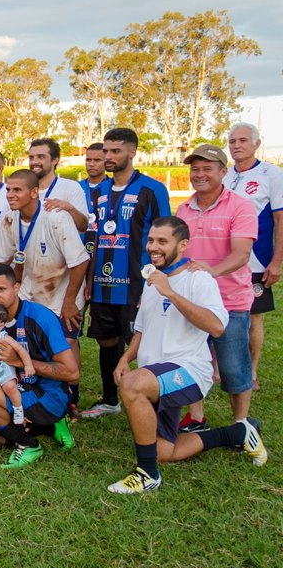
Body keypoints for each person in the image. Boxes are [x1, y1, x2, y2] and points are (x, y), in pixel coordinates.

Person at [107, 217, 266, 494]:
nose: (153, 247)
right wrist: (124, 358)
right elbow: (142, 330)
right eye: (151, 240)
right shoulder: (151, 280)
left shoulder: (198, 278)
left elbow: (217, 326)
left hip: (190, 370)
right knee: (165, 451)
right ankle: (239, 433)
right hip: (155, 373)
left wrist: (171, 293)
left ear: (183, 245)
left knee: (132, 385)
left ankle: (147, 474)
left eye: (162, 242)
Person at [81, 128, 171, 419]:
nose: (109, 157)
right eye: (106, 151)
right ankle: (110, 399)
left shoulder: (152, 189)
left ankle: (155, 405)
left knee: (143, 346)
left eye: (115, 151)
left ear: (132, 152)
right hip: (104, 283)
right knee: (106, 341)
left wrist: (157, 282)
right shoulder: (101, 191)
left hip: (138, 286)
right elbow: (95, 238)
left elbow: (167, 237)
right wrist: (89, 279)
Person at [175, 144, 258, 431]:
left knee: (234, 366)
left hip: (229, 301)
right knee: (191, 361)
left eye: (207, 168)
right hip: (192, 302)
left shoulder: (241, 206)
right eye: (194, 169)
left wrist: (212, 272)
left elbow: (241, 254)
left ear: (223, 171)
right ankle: (196, 417)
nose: (199, 174)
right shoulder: (183, 208)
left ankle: (241, 423)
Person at [0, 264, 79, 468]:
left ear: (16, 288)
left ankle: (28, 444)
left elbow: (72, 373)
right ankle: (45, 428)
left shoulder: (40, 317)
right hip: (12, 389)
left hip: (48, 395)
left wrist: (19, 362)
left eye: (1, 289)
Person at [0, 170, 89, 362]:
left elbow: (80, 262)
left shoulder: (56, 217)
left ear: (34, 193)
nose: (10, 195)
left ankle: (71, 390)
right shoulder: (10, 218)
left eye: (17, 190)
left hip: (61, 296)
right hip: (31, 293)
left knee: (66, 345)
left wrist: (69, 301)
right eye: (8, 190)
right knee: (31, 343)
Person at [224, 122, 283, 391]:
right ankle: (219, 369)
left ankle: (253, 372)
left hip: (256, 260)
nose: (236, 146)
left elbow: (280, 219)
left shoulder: (272, 174)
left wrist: (276, 261)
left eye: (243, 141)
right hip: (224, 261)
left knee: (252, 318)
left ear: (257, 144)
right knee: (222, 313)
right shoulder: (225, 177)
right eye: (232, 141)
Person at [27, 138, 88, 232]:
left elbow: (83, 227)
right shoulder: (23, 190)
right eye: (31, 158)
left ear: (54, 160)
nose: (34, 162)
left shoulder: (71, 187)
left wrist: (70, 208)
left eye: (41, 157)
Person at [79, 142, 108, 256]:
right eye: (88, 160)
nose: (91, 164)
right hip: (78, 249)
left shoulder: (112, 188)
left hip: (103, 250)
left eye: (97, 160)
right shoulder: (75, 187)